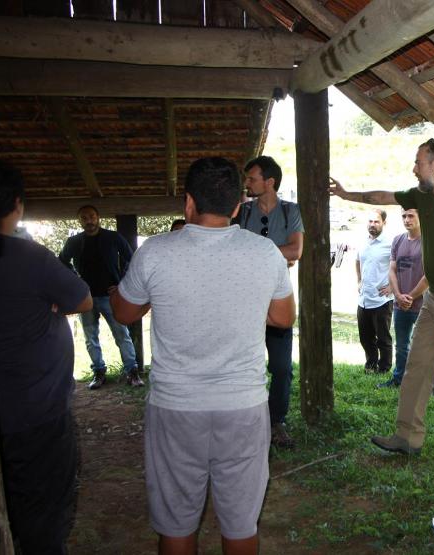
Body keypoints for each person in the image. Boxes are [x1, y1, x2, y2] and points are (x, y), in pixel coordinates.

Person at [111, 157, 295, 555]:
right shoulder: (264, 253)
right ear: (235, 208)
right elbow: (283, 318)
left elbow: (125, 313)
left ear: (188, 203)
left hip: (175, 408)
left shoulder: (156, 252)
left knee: (176, 525)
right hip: (243, 406)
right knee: (241, 524)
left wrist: (116, 291)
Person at [329, 138, 434, 455]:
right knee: (417, 366)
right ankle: (407, 437)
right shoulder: (420, 197)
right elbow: (383, 196)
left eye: (418, 162)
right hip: (432, 299)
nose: (414, 169)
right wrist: (347, 194)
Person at [0, 163, 92, 553]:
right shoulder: (28, 256)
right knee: (45, 507)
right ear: (18, 206)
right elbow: (82, 298)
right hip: (36, 410)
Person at [233, 155, 304, 448]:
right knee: (240, 364)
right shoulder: (242, 212)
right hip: (243, 302)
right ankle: (241, 421)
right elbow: (233, 251)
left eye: (252, 178)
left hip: (277, 301)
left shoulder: (290, 211)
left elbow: (296, 251)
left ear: (269, 182)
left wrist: (256, 250)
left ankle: (276, 423)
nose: (247, 184)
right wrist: (276, 252)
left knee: (281, 368)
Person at [59, 204, 142, 389]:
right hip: (85, 298)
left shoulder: (113, 237)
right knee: (90, 338)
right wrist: (76, 281)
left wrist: (122, 281)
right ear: (79, 221)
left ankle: (132, 372)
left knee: (122, 335)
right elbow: (62, 261)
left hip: (111, 296)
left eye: (91, 216)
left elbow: (132, 258)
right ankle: (98, 372)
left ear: (98, 217)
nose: (88, 220)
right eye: (84, 218)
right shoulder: (74, 242)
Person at [378, 209, 434, 395]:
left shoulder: (431, 241)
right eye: (403, 216)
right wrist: (398, 295)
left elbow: (430, 274)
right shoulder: (398, 240)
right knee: (401, 345)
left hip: (425, 305)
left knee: (429, 347)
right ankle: (399, 378)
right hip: (401, 304)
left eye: (411, 216)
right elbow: (392, 270)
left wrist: (411, 296)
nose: (407, 220)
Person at [356, 209, 394, 374]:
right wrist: (358, 280)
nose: (372, 225)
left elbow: (399, 267)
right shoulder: (362, 241)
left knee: (383, 339)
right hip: (364, 299)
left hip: (382, 300)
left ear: (384, 223)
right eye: (370, 221)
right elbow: (357, 260)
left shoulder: (390, 243)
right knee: (365, 337)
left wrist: (392, 287)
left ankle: (384, 368)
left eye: (376, 221)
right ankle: (371, 364)